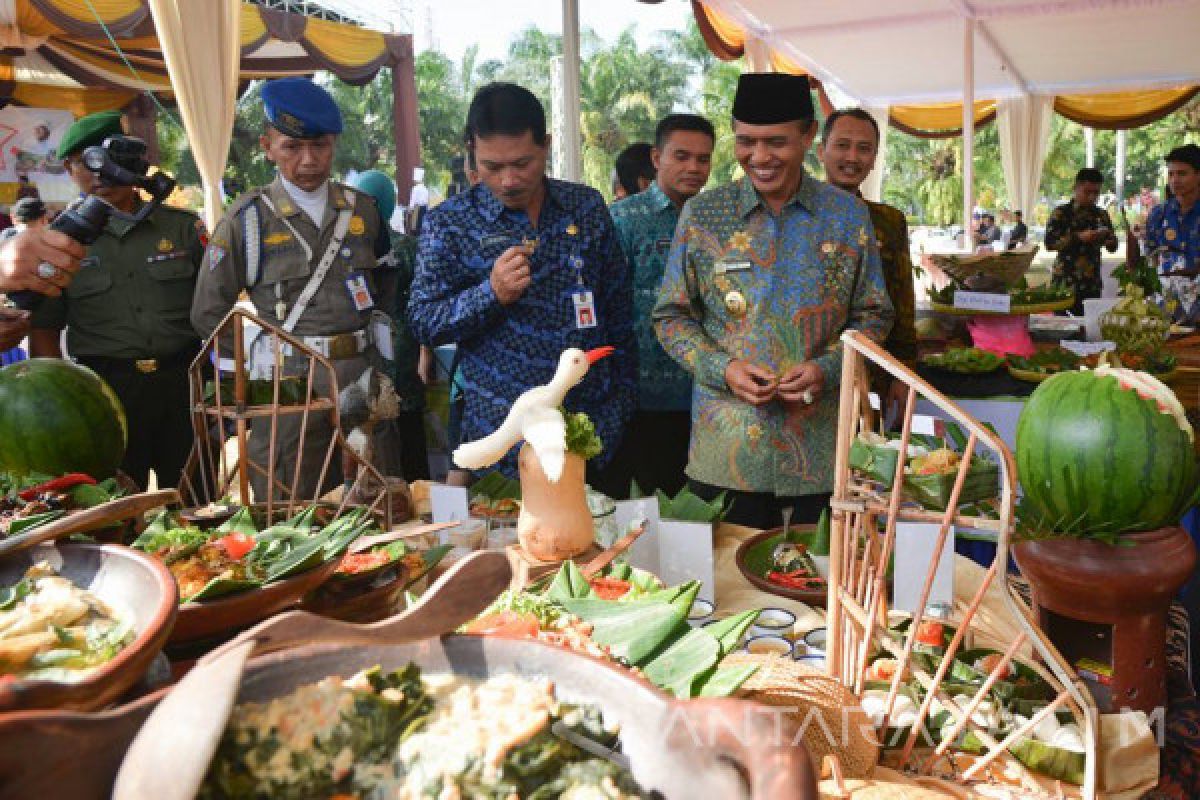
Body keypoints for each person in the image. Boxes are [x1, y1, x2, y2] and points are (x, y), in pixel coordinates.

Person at [653, 73, 894, 528]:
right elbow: (671, 317)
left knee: (815, 582)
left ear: (807, 137)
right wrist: (722, 368)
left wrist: (827, 368)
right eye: (746, 141)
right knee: (728, 589)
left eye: (776, 142)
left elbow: (875, 314)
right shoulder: (704, 214)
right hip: (727, 452)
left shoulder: (846, 215)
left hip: (820, 451)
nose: (759, 158)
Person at [408, 82, 636, 483]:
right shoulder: (450, 223)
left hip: (589, 431)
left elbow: (617, 310)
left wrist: (620, 406)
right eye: (492, 167)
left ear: (545, 146)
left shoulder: (585, 206)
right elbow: (423, 320)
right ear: (472, 153)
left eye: (522, 163)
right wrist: (490, 294)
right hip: (501, 437)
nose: (509, 180)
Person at [192, 77, 393, 501]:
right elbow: (210, 310)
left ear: (333, 144)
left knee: (375, 499)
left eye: (319, 146)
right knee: (289, 500)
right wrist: (247, 381)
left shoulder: (364, 212)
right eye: (291, 147)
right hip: (286, 381)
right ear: (267, 146)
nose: (308, 160)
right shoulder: (247, 219)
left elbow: (386, 293)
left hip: (358, 373)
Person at [29, 110, 206, 490]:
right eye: (82, 163)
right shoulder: (59, 242)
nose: (97, 174)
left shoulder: (183, 229)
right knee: (115, 512)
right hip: (106, 394)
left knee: (201, 501)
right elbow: (44, 329)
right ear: (67, 169)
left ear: (131, 161)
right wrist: (56, 405)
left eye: (106, 160)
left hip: (184, 384)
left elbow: (218, 312)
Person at [609, 113, 715, 496]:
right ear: (657, 158)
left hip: (707, 394)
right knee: (643, 511)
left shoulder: (718, 221)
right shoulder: (623, 219)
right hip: (640, 398)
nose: (693, 168)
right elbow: (607, 304)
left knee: (699, 515)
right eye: (681, 156)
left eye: (703, 159)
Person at [817, 108, 916, 373]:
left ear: (873, 159)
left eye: (864, 149)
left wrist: (904, 370)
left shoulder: (888, 221)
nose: (852, 157)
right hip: (805, 372)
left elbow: (902, 300)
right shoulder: (797, 217)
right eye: (842, 145)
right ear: (820, 151)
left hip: (871, 366)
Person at [350, 169, 431, 481]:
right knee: (408, 430)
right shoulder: (407, 247)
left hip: (366, 354)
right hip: (403, 353)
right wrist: (425, 359)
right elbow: (423, 305)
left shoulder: (351, 247)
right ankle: (416, 493)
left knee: (370, 428)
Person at [1045, 167, 1118, 315]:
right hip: (1065, 284)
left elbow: (1113, 245)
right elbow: (1050, 243)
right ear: (1076, 188)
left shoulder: (1101, 215)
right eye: (1087, 192)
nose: (1092, 197)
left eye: (1096, 193)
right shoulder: (1062, 213)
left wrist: (1109, 241)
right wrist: (1078, 237)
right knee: (1063, 328)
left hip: (1091, 285)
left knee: (1089, 329)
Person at [1145, 143, 1200, 321]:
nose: (1175, 180)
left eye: (1182, 173)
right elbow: (1150, 258)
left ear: (1198, 175)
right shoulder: (1158, 214)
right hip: (1166, 309)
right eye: (1171, 174)